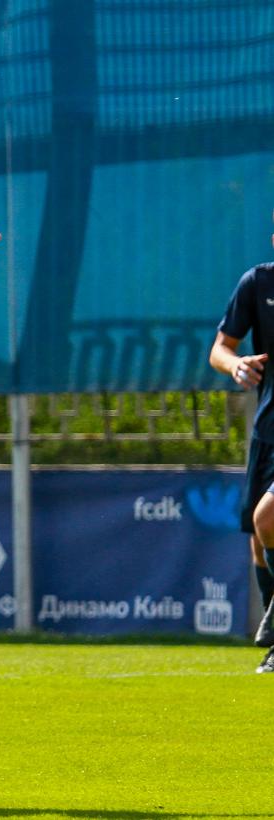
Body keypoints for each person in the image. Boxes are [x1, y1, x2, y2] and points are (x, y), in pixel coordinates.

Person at [210, 208, 274, 673]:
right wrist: (235, 364)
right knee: (258, 540)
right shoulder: (257, 283)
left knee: (266, 519)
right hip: (268, 429)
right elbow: (219, 348)